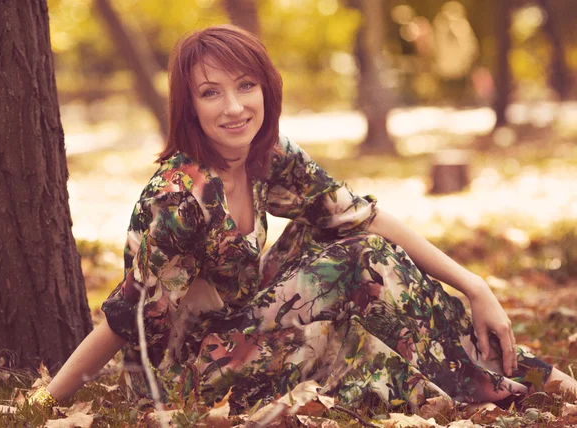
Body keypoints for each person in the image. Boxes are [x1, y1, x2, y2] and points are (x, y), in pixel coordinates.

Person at [28, 25, 577, 414]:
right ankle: (490, 383)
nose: (234, 107)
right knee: (347, 338)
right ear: (187, 106)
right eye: (210, 93)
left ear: (266, 87)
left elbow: (366, 216)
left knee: (358, 240)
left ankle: (515, 370)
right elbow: (128, 319)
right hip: (185, 368)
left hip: (244, 318)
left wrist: (475, 284)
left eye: (246, 85)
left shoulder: (268, 154)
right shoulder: (176, 199)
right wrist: (47, 401)